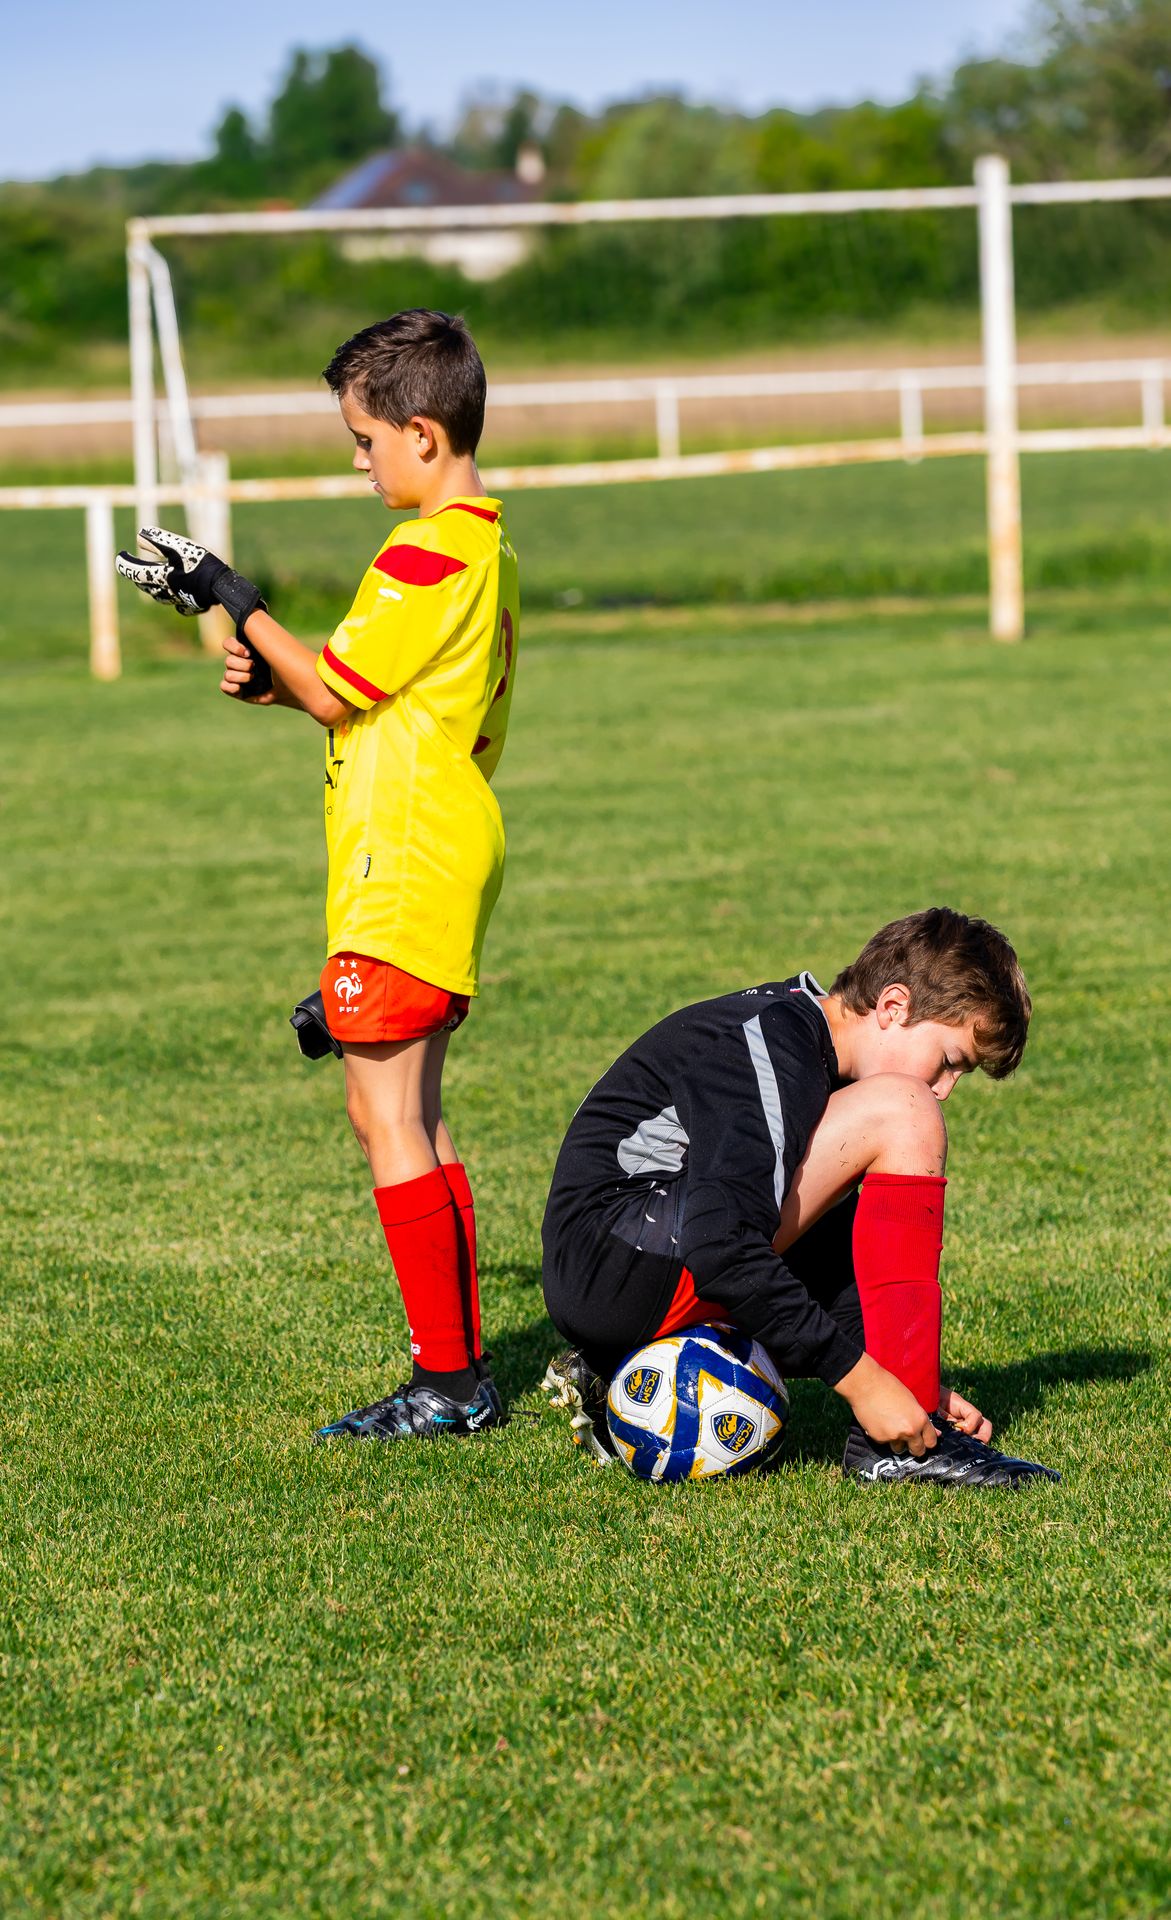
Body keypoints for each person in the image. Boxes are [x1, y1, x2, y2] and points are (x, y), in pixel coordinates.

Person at [116, 309, 519, 1443]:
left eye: (364, 439)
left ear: (424, 435)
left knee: (381, 1109)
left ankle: (446, 1382)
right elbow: (367, 695)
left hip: (404, 855)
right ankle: (463, 1362)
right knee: (419, 1117)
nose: (358, 461)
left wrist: (227, 591)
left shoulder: (425, 547)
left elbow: (342, 690)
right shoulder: (486, 543)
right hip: (440, 839)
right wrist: (280, 678)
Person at [541, 907, 1059, 1487]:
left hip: (617, 1272)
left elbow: (820, 1255)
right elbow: (722, 1245)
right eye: (948, 1062)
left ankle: (617, 1369)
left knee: (856, 1153)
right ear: (894, 1007)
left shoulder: (803, 1045)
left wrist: (911, 1384)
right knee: (903, 1112)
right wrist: (865, 1383)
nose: (944, 1090)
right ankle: (897, 1457)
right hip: (616, 1268)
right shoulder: (776, 1043)